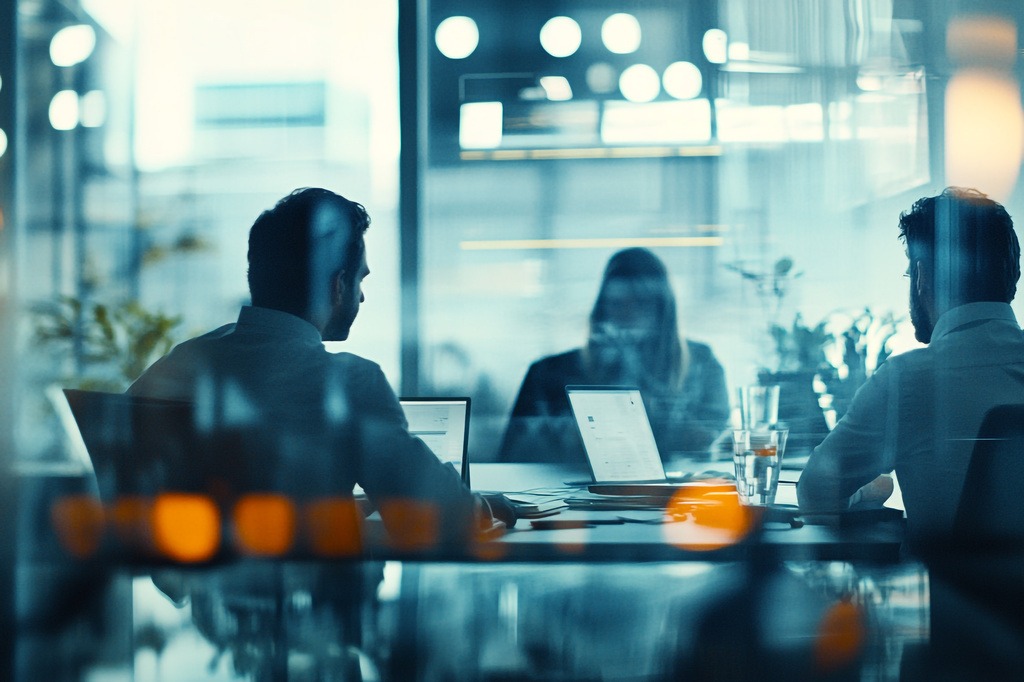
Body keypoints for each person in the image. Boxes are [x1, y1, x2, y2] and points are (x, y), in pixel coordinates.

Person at [129, 188, 510, 548]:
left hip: (210, 608)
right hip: (318, 606)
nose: (361, 295)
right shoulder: (349, 383)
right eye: (359, 278)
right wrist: (490, 508)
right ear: (338, 285)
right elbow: (439, 518)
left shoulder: (180, 364)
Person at [797, 187, 1024, 542]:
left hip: (957, 595)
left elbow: (815, 490)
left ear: (921, 278)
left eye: (908, 274)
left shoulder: (909, 380)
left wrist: (868, 489)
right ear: (1012, 276)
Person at [498, 248, 730, 465]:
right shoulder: (549, 372)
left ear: (662, 311)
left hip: (673, 496)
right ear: (602, 309)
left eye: (641, 303)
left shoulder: (701, 365)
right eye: (617, 304)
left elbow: (710, 445)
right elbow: (514, 455)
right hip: (564, 494)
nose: (628, 315)